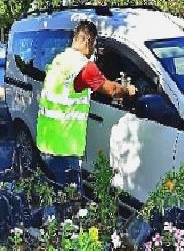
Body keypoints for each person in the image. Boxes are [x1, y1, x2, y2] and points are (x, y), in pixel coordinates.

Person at [35, 20, 137, 186]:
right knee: (70, 202)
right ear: (88, 41)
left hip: (47, 143)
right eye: (94, 44)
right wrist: (128, 90)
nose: (94, 50)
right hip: (63, 150)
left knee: (55, 195)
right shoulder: (82, 66)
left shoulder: (61, 59)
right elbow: (111, 90)